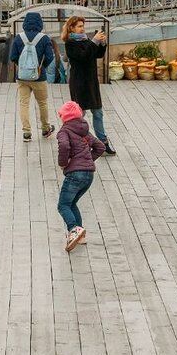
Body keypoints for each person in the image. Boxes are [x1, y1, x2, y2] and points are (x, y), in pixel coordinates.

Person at [62, 15, 116, 155]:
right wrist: (94, 41)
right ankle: (71, 140)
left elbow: (96, 54)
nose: (82, 29)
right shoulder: (70, 43)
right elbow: (83, 56)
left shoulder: (86, 40)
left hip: (91, 81)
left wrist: (102, 44)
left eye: (83, 26)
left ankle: (103, 142)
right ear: (72, 28)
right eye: (79, 26)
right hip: (79, 82)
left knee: (97, 112)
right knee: (79, 114)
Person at [56, 101, 105, 252]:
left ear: (63, 117)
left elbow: (64, 146)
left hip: (75, 175)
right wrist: (87, 160)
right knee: (72, 203)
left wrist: (63, 163)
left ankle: (73, 229)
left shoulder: (64, 131)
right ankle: (81, 235)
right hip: (89, 175)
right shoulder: (84, 131)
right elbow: (100, 147)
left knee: (63, 205)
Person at [9, 12, 56, 142]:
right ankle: (46, 128)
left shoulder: (19, 38)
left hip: (22, 77)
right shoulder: (44, 38)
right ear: (40, 23)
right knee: (42, 103)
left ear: (25, 23)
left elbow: (13, 57)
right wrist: (41, 68)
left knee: (24, 103)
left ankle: (26, 132)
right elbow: (50, 57)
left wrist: (23, 67)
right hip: (39, 77)